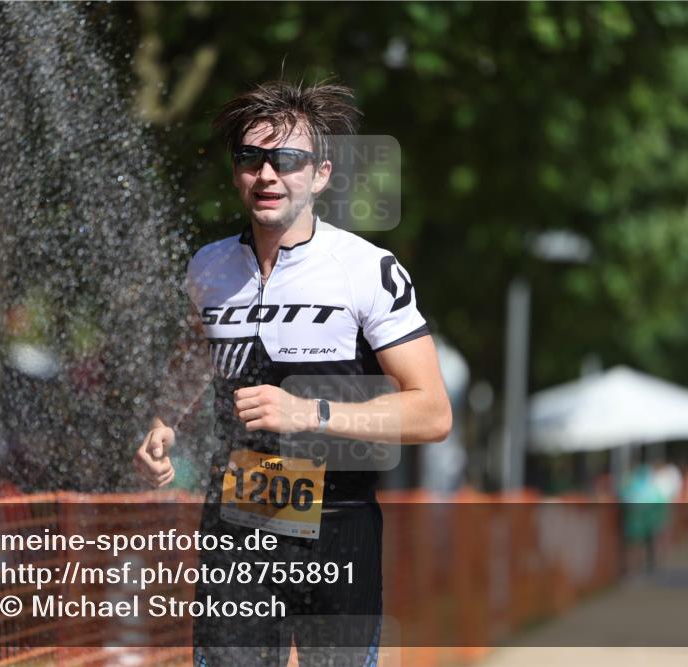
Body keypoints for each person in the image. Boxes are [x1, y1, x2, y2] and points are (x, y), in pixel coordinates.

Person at [134, 79, 452, 666]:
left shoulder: (365, 268)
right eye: (251, 159)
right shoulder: (209, 268)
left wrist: (310, 411)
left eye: (287, 160)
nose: (268, 174)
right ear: (236, 173)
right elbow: (195, 355)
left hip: (338, 518)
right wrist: (163, 421)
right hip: (242, 515)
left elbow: (432, 411)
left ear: (321, 175)